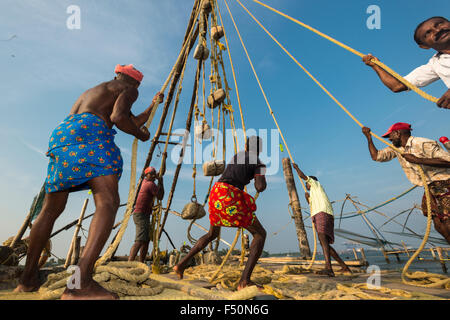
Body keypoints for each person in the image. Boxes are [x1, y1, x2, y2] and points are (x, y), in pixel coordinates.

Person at [14, 64, 164, 300]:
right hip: (90, 133)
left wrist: (154, 105)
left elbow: (131, 118)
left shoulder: (97, 91)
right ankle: (78, 284)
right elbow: (119, 118)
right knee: (108, 202)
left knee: (51, 209)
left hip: (63, 135)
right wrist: (140, 135)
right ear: (134, 83)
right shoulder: (129, 89)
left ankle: (27, 279)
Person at [174, 136, 267, 290]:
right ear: (260, 149)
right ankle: (244, 281)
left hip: (216, 192)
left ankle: (181, 265)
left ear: (245, 145)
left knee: (212, 234)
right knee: (260, 234)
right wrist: (262, 177)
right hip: (229, 195)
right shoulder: (259, 162)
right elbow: (259, 187)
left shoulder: (238, 156)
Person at [361, 123, 450, 244]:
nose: (390, 139)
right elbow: (376, 156)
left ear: (398, 133)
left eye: (390, 136)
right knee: (439, 225)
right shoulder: (397, 148)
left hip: (445, 182)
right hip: (429, 186)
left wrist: (418, 160)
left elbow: (448, 161)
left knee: (447, 222)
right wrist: (368, 137)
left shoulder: (422, 143)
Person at [362, 17, 450, 109]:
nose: (437, 30)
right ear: (424, 46)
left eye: (439, 24)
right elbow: (398, 86)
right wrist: (375, 66)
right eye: (428, 33)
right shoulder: (436, 63)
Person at [292, 164, 352, 277]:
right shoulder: (314, 194)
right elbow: (312, 205)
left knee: (323, 239)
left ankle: (329, 268)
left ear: (312, 182)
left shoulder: (316, 185)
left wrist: (297, 168)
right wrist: (307, 199)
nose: (307, 185)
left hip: (322, 213)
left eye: (307, 184)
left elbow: (303, 176)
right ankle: (344, 267)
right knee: (324, 243)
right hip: (319, 214)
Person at [128, 166, 164, 263]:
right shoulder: (150, 184)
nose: (152, 175)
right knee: (140, 240)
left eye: (154, 173)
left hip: (142, 214)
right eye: (151, 174)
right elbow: (160, 196)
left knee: (146, 240)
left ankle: (141, 263)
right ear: (146, 175)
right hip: (141, 214)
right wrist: (161, 181)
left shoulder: (145, 182)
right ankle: (129, 264)